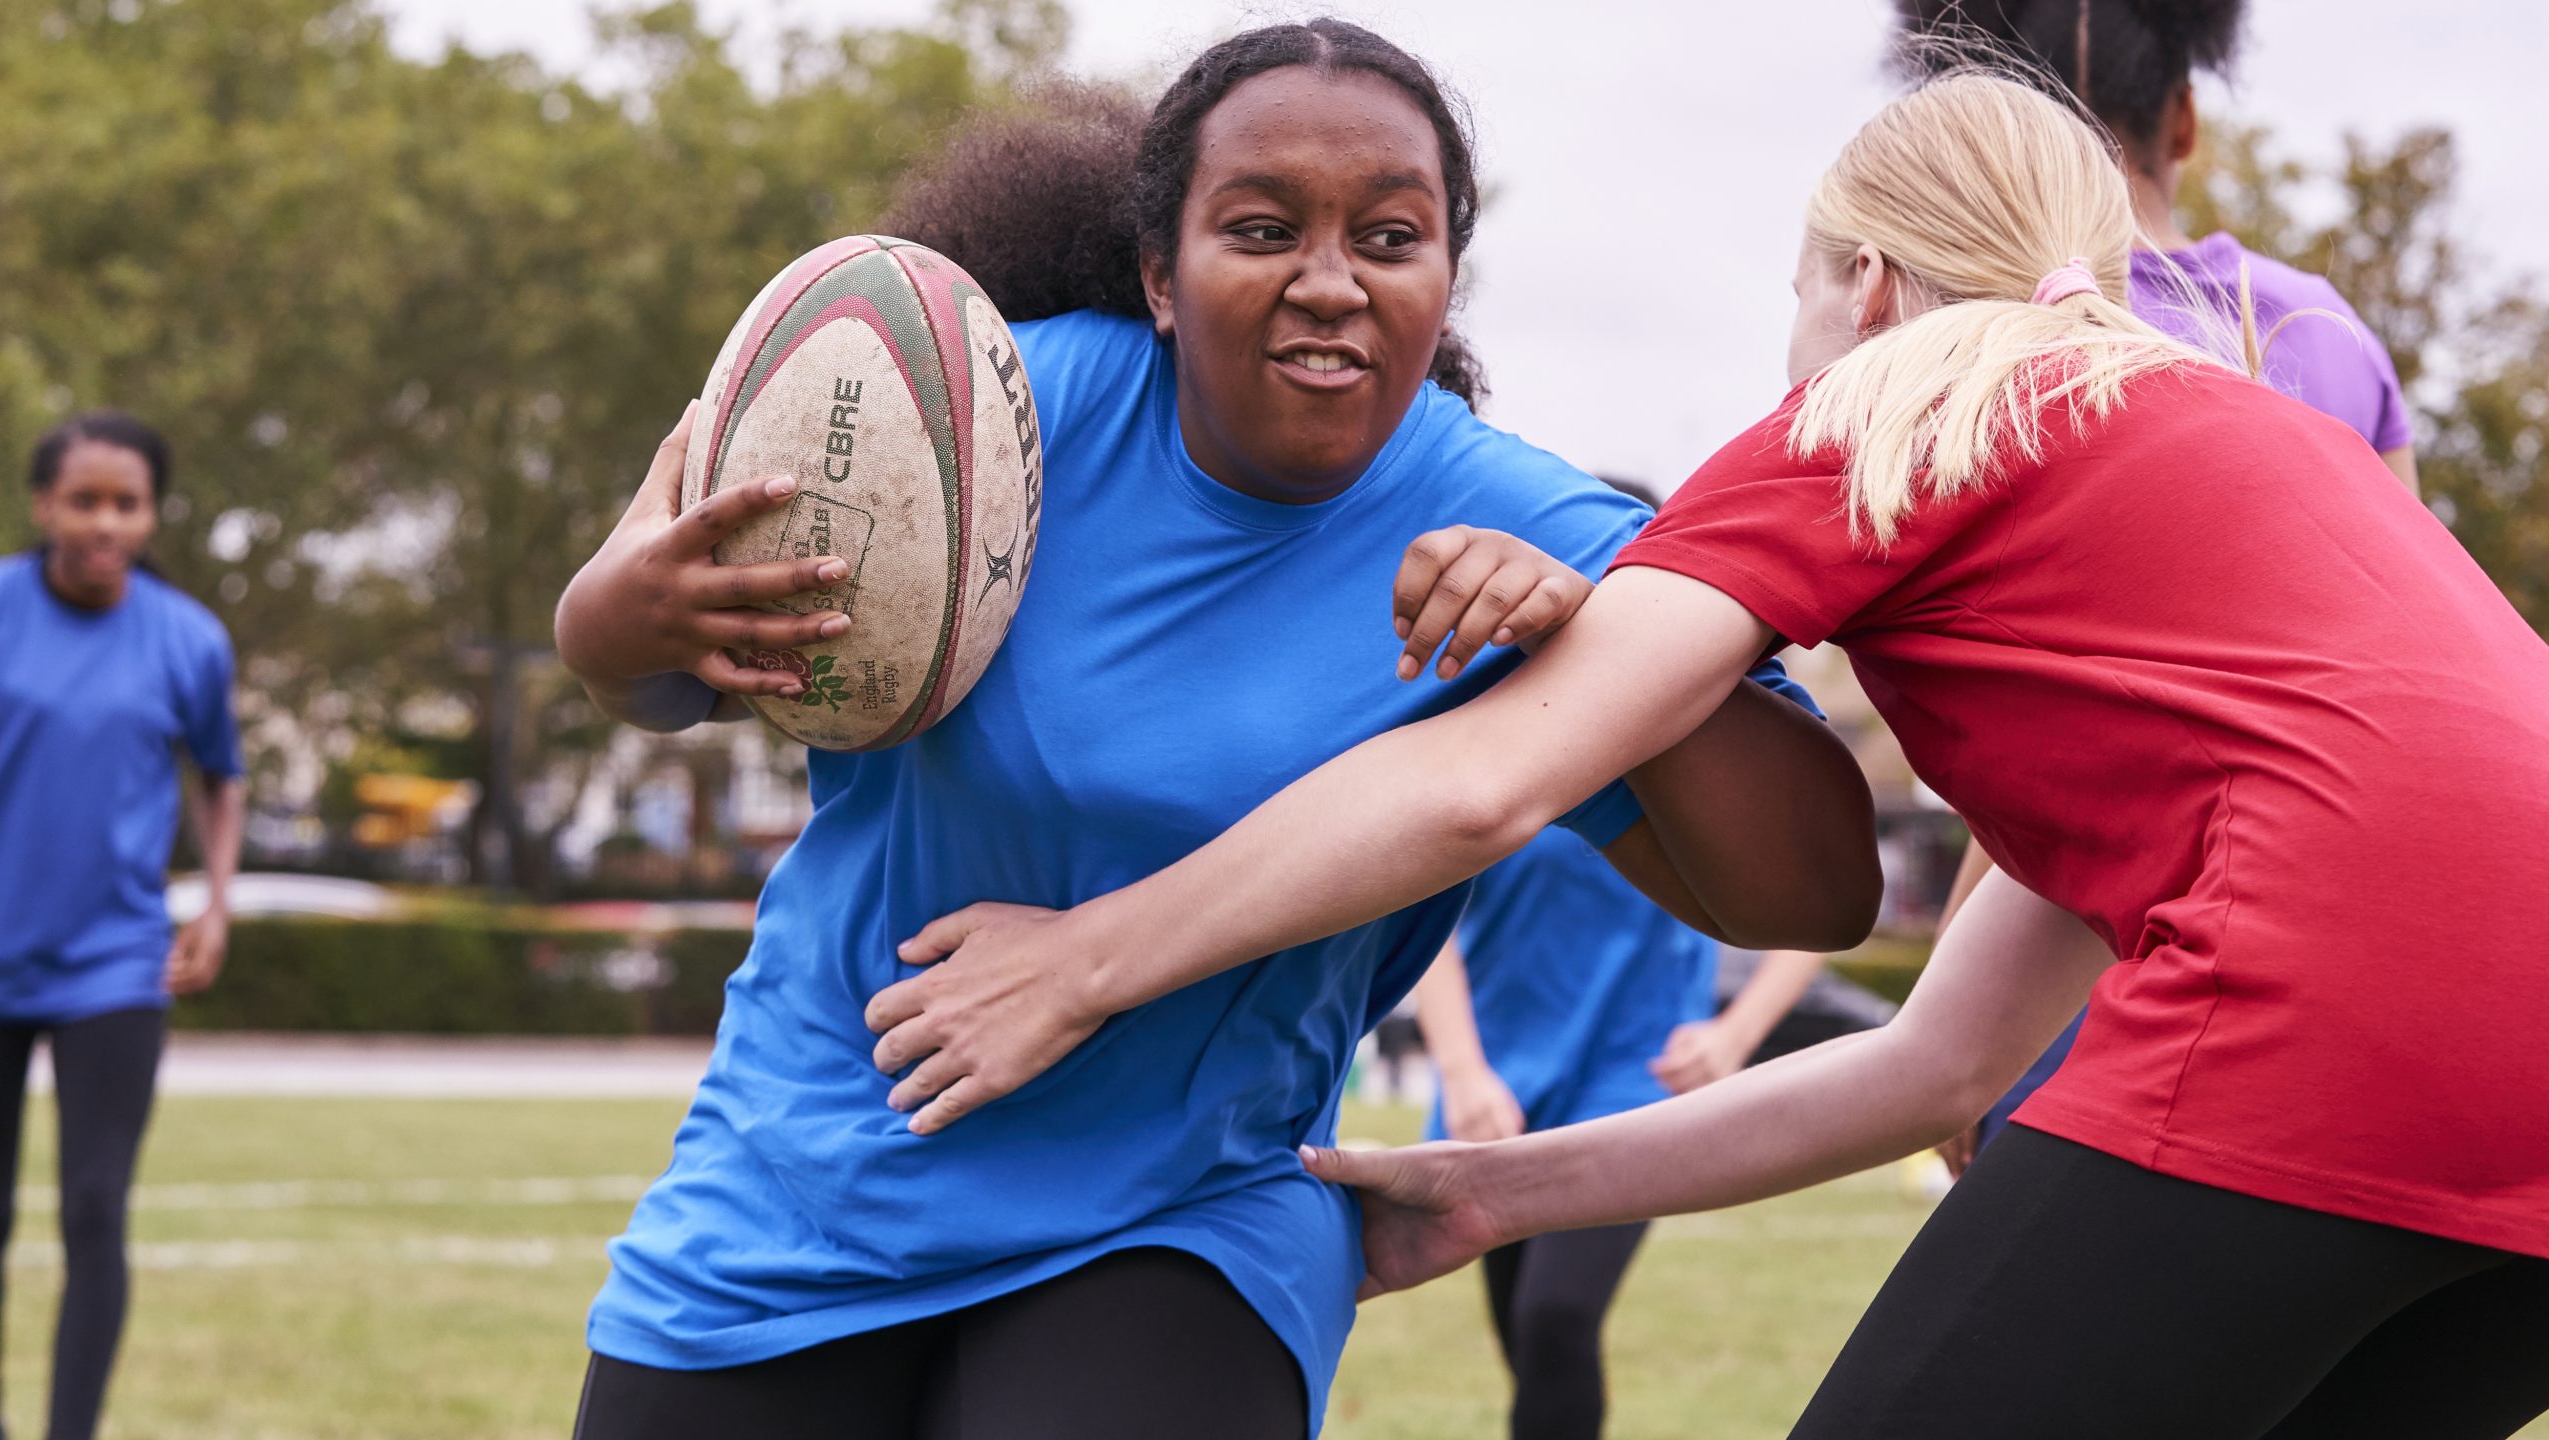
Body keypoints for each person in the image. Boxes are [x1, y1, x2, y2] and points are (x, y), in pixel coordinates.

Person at [866, 71, 2549, 1438]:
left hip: (2330, 1013)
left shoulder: (1882, 409)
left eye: (1799, 298)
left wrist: (1084, 962)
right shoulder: (2235, 482)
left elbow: (1486, 780)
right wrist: (1489, 1193)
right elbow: (1939, 1071)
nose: (1794, 348)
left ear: (1865, 287)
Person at [552, 24, 1879, 1439]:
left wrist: (1593, 645)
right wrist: (612, 618)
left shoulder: (1528, 528)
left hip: (1182, 1220)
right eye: (1261, 230)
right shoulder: (975, 412)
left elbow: (1809, 893)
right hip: (808, 1172)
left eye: (1390, 235)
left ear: (1445, 275)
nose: (1330, 282)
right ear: (1157, 276)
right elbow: (663, 682)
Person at [1892, 0, 2425, 1176]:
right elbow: (2419, 641)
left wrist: (1947, 1024)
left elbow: (2031, 734)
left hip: (2082, 935)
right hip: (2335, 934)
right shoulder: (2328, 332)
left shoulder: (1982, 341)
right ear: (2184, 118)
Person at [0, 412, 243, 1440]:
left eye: (125, 502)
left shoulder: (189, 639)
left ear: (150, 514)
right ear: (44, 504)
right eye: (84, 499)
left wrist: (217, 902)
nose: (105, 521)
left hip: (114, 966)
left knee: (94, 1210)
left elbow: (220, 780)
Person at [1417, 818, 1827, 1440]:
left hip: (1636, 1080)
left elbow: (1818, 905)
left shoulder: (1688, 744)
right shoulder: (1477, 739)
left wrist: (1735, 1034)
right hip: (1500, 1087)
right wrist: (1462, 1070)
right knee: (1528, 1338)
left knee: (1556, 1314)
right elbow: (1418, 916)